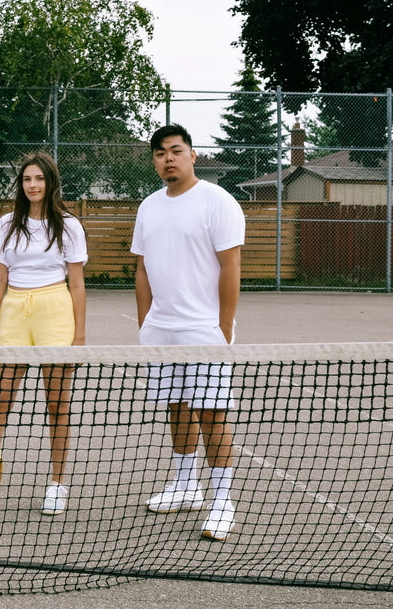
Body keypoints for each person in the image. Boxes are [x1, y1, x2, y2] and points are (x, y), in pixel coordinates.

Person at [0, 151, 87, 515]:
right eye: (27, 179)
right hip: (13, 313)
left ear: (51, 182)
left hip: (55, 312)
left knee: (57, 405)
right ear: (22, 184)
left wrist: (79, 337)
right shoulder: (5, 225)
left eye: (39, 179)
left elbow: (76, 284)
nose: (33, 185)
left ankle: (58, 486)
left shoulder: (69, 226)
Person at [132, 124, 245, 541]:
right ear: (155, 161)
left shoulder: (218, 201)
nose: (168, 159)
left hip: (205, 330)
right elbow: (142, 268)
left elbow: (231, 266)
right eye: (160, 153)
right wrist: (147, 323)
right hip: (161, 331)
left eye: (176, 151)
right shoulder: (148, 207)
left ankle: (221, 503)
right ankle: (185, 485)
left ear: (192, 155)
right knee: (176, 407)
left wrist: (224, 326)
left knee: (212, 414)